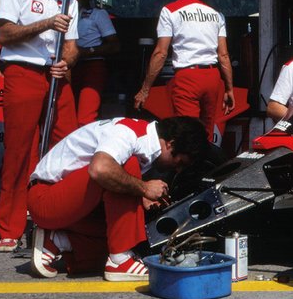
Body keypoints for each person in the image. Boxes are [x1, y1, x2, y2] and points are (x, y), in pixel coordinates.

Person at [27, 116, 208, 280]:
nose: (177, 170)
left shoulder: (140, 138)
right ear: (171, 144)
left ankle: (56, 241)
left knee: (132, 240)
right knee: (125, 167)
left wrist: (139, 197)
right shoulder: (128, 132)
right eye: (180, 163)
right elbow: (101, 169)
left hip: (67, 205)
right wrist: (143, 188)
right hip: (45, 199)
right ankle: (120, 261)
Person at [0, 0, 81, 253]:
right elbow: (4, 34)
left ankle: (60, 218)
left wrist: (66, 62)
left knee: (68, 145)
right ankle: (10, 226)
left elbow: (72, 47)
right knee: (19, 150)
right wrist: (46, 22)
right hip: (23, 71)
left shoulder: (69, 0)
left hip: (55, 76)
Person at [134, 0, 234, 140]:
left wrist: (145, 90)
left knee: (186, 135)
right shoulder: (216, 14)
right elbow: (224, 55)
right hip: (212, 76)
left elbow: (161, 53)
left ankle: (191, 163)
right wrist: (229, 88)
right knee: (205, 133)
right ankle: (204, 162)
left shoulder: (170, 10)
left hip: (188, 76)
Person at [71, 0, 120, 126]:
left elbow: (115, 45)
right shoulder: (58, 12)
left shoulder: (98, 14)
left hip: (92, 66)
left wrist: (87, 51)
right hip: (66, 66)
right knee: (64, 117)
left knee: (85, 118)